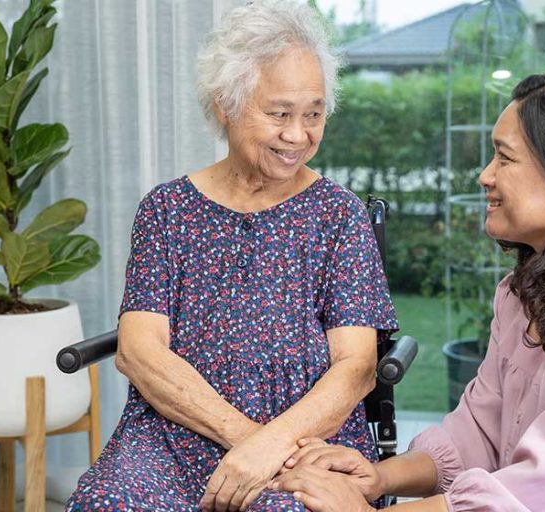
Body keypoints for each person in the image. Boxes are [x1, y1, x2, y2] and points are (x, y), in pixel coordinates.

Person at [272, 73, 545, 511]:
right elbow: (477, 433)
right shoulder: (522, 293)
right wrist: (377, 477)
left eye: (505, 158)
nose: (485, 176)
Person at [65, 1, 397, 511]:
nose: (298, 135)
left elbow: (355, 367)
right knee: (108, 500)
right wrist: (248, 440)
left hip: (306, 436)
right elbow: (139, 352)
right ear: (225, 104)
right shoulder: (167, 210)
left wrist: (274, 446)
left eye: (314, 113)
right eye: (280, 114)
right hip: (175, 433)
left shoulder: (339, 215)